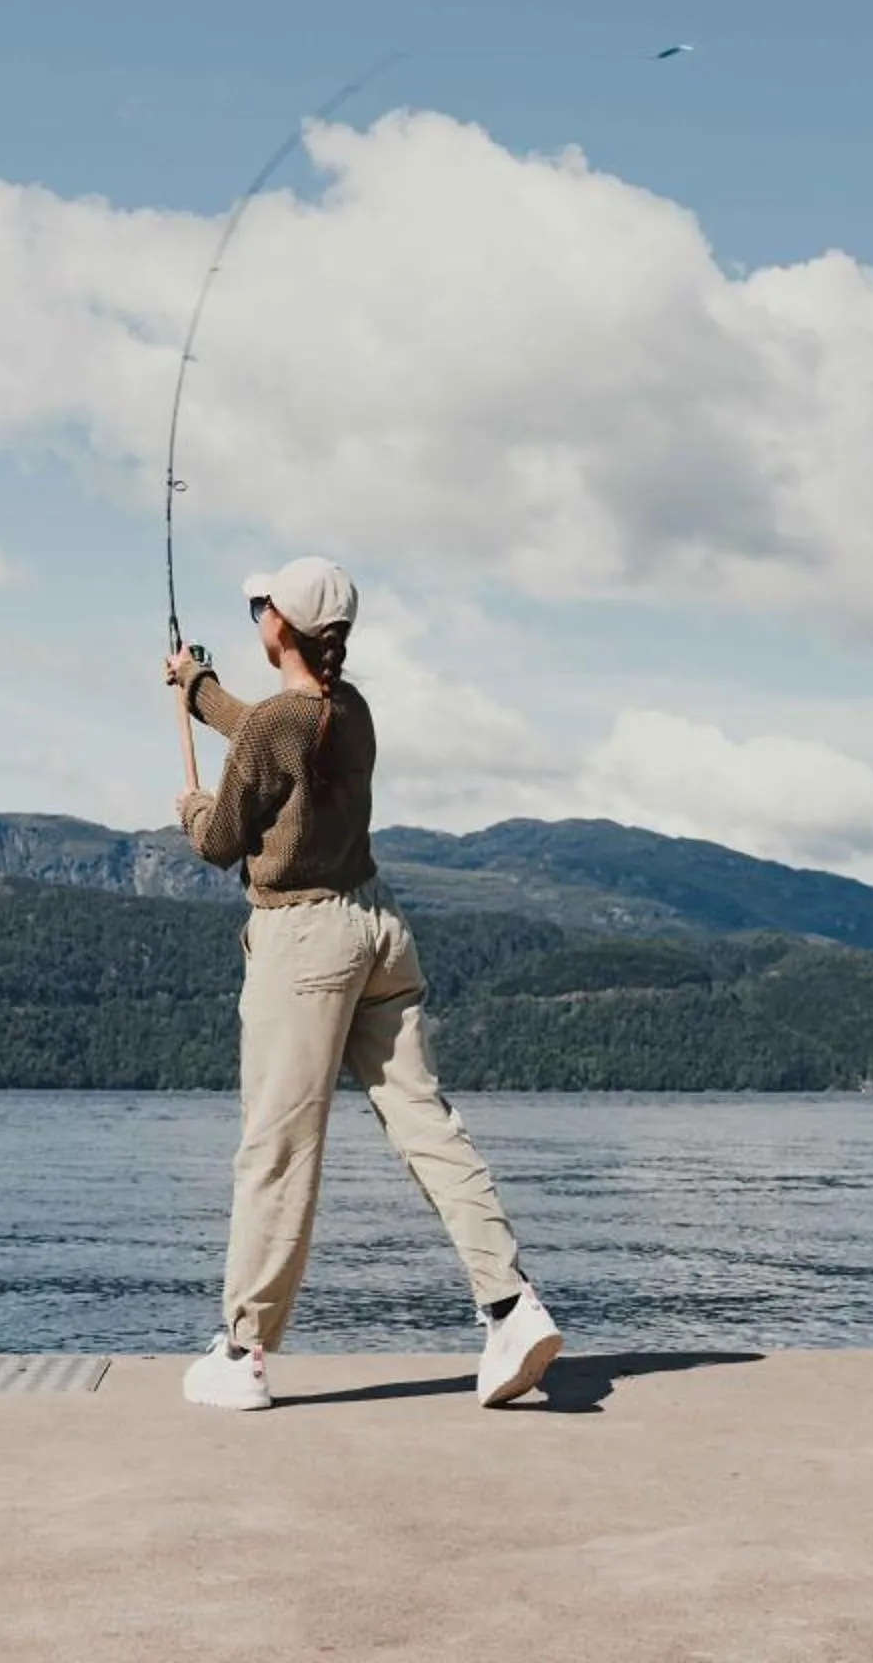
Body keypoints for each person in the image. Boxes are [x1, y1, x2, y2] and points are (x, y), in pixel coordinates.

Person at [165, 555, 561, 1412]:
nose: (255, 613)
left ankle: (243, 1352)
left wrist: (190, 805)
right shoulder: (349, 710)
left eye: (260, 604)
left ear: (282, 626)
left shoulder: (281, 724)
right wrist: (202, 689)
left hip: (304, 942)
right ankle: (510, 1303)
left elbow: (221, 836)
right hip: (379, 930)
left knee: (277, 1146)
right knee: (427, 1122)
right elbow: (267, 730)